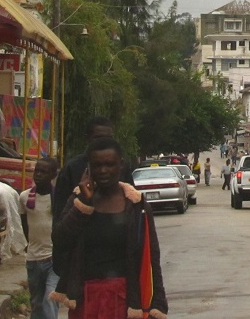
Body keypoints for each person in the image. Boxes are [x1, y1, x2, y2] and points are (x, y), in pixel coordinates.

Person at [51, 137, 168, 319]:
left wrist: (158, 304)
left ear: (120, 165)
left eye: (109, 164)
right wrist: (84, 204)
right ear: (89, 168)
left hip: (123, 300)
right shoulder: (78, 199)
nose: (103, 170)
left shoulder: (137, 205)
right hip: (84, 298)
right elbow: (60, 241)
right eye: (97, 165)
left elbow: (151, 256)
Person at [52, 116, 134, 227]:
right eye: (98, 138)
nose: (103, 170)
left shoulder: (121, 166)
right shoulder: (71, 169)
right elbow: (59, 215)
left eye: (108, 138)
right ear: (88, 138)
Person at [20, 157, 60, 319]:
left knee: (50, 299)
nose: (38, 175)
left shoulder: (58, 198)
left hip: (54, 259)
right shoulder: (25, 197)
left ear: (53, 174)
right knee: (36, 302)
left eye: (44, 172)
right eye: (37, 170)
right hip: (34, 259)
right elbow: (25, 225)